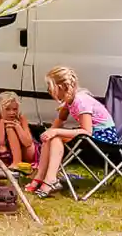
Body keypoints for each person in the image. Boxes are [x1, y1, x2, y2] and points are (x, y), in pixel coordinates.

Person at [28, 65, 116, 198]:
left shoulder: (81, 100)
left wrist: (56, 131)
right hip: (91, 135)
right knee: (51, 137)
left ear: (61, 86)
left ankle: (50, 179)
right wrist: (50, 132)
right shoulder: (69, 101)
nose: (48, 90)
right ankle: (41, 178)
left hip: (103, 137)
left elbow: (87, 131)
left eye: (50, 86)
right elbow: (59, 122)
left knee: (56, 136)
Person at [0, 91, 37, 168]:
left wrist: (17, 127)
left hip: (29, 151)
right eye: (7, 109)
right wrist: (2, 123)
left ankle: (17, 162)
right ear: (0, 109)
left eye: (15, 109)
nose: (12, 112)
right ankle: (13, 162)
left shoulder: (21, 117)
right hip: (11, 153)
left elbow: (28, 142)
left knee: (10, 128)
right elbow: (0, 141)